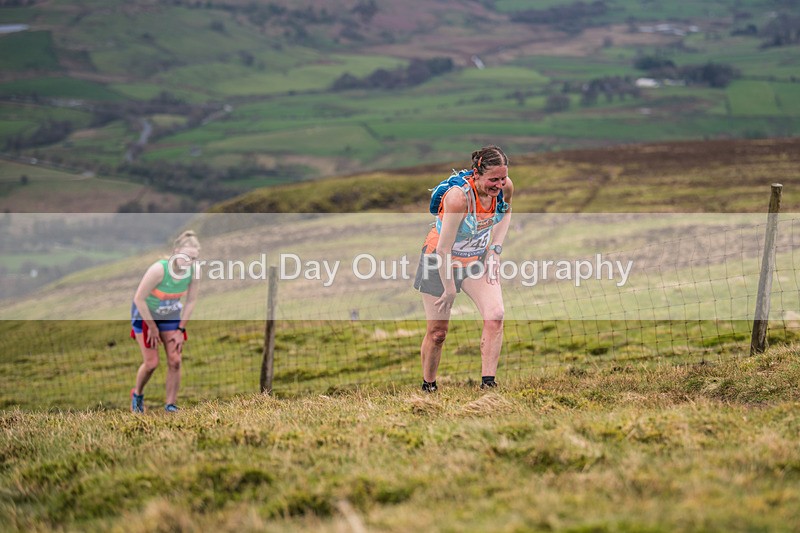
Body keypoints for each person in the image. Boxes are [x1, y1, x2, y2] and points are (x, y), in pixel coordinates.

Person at [414, 146, 513, 392]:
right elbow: (443, 250)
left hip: (475, 261)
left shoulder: (505, 188)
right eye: (493, 179)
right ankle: (429, 387)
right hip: (438, 261)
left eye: (502, 178)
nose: (499, 184)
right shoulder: (458, 198)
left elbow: (506, 211)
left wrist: (495, 250)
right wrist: (449, 289)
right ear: (476, 174)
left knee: (496, 314)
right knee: (438, 333)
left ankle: (488, 385)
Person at [130, 230, 200, 413]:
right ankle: (137, 394)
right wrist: (152, 328)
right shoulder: (159, 270)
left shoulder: (193, 272)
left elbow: (191, 301)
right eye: (186, 257)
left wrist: (180, 330)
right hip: (145, 315)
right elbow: (139, 299)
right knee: (152, 363)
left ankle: (170, 405)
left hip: (169, 316)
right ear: (176, 251)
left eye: (194, 258)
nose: (189, 262)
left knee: (175, 360)